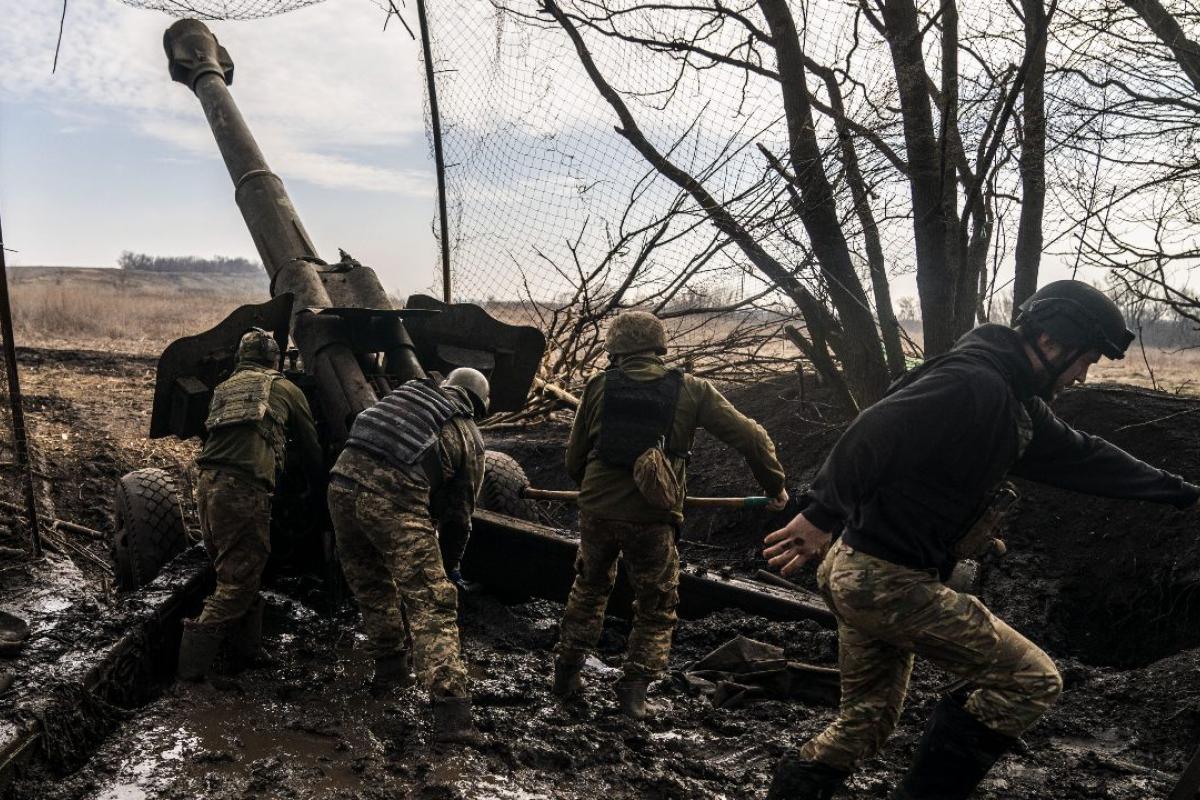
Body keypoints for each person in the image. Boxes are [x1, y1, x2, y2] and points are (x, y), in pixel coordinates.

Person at [761, 280, 1200, 800]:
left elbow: (1085, 456)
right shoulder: (973, 382)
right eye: (1084, 360)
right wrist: (821, 512)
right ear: (1052, 342)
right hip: (885, 580)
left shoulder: (1013, 399)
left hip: (858, 568)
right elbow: (875, 430)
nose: (1083, 376)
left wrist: (1183, 494)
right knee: (1031, 680)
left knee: (867, 721)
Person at [552, 310, 789, 718]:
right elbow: (752, 437)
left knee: (588, 589)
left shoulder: (598, 386)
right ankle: (633, 696)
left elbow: (575, 458)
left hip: (596, 510)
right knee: (656, 602)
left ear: (614, 349)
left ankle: (566, 677)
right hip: (652, 517)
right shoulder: (692, 390)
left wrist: (596, 492)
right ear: (659, 347)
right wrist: (774, 486)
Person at [327, 367, 488, 744]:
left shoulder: (409, 392)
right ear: (478, 405)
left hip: (340, 487)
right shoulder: (467, 432)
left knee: (373, 586)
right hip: (393, 500)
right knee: (432, 602)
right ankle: (453, 716)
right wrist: (449, 567)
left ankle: (391, 671)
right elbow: (459, 516)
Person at [179, 327, 321, 682]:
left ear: (241, 358)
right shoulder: (284, 388)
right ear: (275, 360)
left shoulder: (225, 388)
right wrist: (321, 489)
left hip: (207, 485)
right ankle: (191, 676)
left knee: (236, 571)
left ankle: (246, 653)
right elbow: (311, 444)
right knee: (239, 581)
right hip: (242, 489)